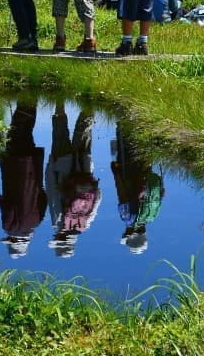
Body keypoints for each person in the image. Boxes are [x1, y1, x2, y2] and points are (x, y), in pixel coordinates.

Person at [0, 100, 46, 259]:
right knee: (15, 133)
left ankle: (31, 102)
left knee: (26, 133)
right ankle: (24, 102)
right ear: (13, 241)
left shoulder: (36, 222)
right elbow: (9, 207)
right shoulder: (9, 227)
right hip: (15, 169)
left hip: (32, 170)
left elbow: (44, 197)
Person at [45, 103, 100, 258]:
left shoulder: (86, 222)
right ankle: (59, 100)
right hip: (62, 166)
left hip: (84, 166)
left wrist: (87, 180)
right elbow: (52, 192)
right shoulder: (58, 222)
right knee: (60, 131)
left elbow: (98, 196)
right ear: (60, 238)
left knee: (84, 132)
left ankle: (90, 101)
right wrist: (50, 166)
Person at [111, 122, 164, 256]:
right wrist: (115, 173)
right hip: (128, 174)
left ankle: (143, 123)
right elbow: (122, 194)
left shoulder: (151, 216)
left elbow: (162, 193)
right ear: (130, 235)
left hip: (146, 173)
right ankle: (125, 118)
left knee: (143, 148)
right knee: (126, 143)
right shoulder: (127, 219)